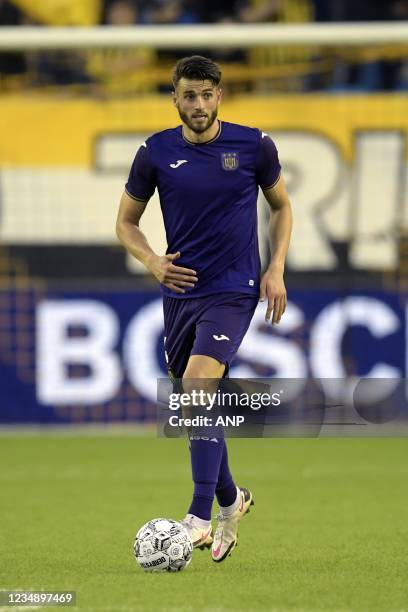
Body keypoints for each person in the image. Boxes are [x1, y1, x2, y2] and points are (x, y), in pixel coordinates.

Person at [116, 55, 293, 562]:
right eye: (189, 95)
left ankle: (196, 515)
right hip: (180, 293)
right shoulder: (154, 152)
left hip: (235, 289)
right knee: (197, 404)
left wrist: (275, 268)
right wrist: (151, 260)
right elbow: (125, 223)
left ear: (221, 96)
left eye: (207, 94)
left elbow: (281, 206)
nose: (198, 104)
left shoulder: (254, 145)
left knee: (195, 388)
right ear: (174, 98)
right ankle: (231, 498)